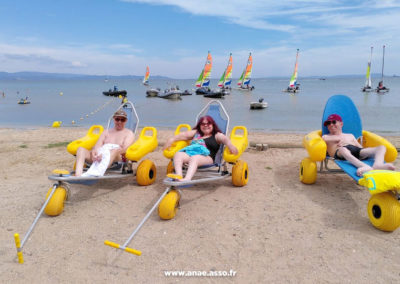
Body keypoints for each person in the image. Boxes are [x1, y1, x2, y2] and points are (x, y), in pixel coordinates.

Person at [163, 115, 239, 181]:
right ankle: (178, 176)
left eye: (208, 123)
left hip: (207, 158)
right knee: (178, 154)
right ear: (199, 126)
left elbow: (226, 140)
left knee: (195, 158)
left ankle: (187, 179)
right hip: (190, 155)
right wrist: (172, 139)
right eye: (203, 124)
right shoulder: (196, 133)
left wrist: (231, 146)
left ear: (213, 125)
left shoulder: (216, 135)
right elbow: (184, 135)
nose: (205, 125)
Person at [322, 114, 395, 176]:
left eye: (334, 122)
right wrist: (337, 139)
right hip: (341, 153)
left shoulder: (350, 135)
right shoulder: (327, 137)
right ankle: (364, 166)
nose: (331, 125)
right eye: (328, 123)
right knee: (343, 149)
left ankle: (378, 164)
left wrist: (366, 152)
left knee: (381, 148)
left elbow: (359, 147)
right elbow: (323, 139)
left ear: (341, 124)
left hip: (356, 151)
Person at [74, 109, 135, 176]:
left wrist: (105, 154)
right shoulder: (106, 132)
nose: (119, 122)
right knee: (80, 149)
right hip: (100, 156)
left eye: (122, 120)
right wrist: (95, 153)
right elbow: (97, 146)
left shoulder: (129, 133)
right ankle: (78, 174)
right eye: (117, 119)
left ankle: (96, 173)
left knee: (115, 150)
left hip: (116, 157)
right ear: (114, 119)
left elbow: (124, 149)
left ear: (126, 121)